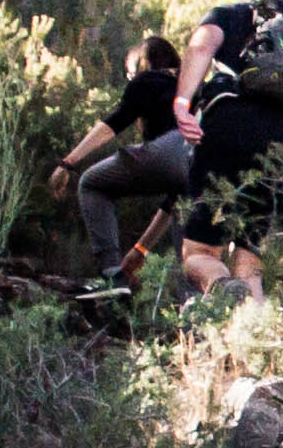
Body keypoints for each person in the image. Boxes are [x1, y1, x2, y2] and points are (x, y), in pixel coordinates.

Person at [171, 2, 283, 315]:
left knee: (200, 252)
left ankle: (221, 287)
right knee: (250, 264)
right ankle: (255, 336)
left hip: (232, 124)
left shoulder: (236, 14)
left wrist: (182, 103)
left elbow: (202, 46)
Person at [49, 32, 191, 282]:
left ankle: (110, 273)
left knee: (91, 183)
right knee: (190, 248)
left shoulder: (148, 79)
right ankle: (196, 300)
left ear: (142, 64)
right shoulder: (192, 87)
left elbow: (114, 123)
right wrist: (140, 250)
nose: (130, 79)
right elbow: (171, 203)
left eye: (129, 73)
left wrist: (67, 163)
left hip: (170, 150)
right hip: (201, 162)